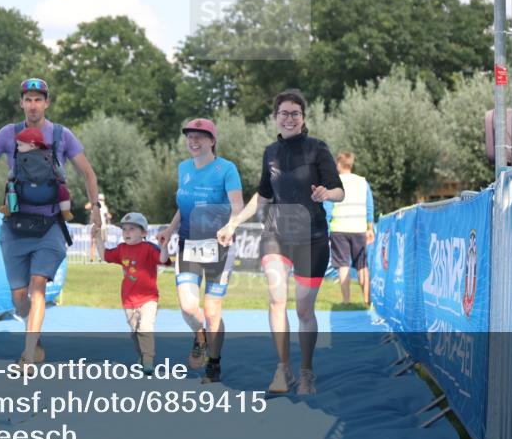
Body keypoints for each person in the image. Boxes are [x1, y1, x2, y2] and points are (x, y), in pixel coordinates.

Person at [0, 78, 101, 365]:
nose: (33, 105)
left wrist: (95, 206)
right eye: (28, 99)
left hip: (50, 226)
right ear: (21, 103)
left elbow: (88, 173)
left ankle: (29, 353)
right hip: (15, 227)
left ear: (46, 103)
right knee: (19, 299)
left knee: (38, 286)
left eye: (38, 99)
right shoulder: (8, 134)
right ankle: (33, 335)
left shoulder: (62, 135)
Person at [217, 89, 343, 395]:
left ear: (303, 118)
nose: (289, 118)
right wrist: (234, 221)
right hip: (275, 234)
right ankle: (283, 368)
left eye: (294, 113)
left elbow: (338, 190)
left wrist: (326, 194)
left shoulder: (317, 148)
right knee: (276, 299)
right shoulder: (270, 152)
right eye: (283, 113)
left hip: (311, 239)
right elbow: (263, 194)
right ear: (276, 118)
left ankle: (306, 371)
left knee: (303, 310)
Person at [157, 118, 243, 384]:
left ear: (212, 141)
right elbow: (184, 204)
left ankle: (214, 364)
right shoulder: (184, 168)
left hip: (219, 246)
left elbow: (238, 206)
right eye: (190, 137)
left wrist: (231, 225)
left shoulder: (226, 169)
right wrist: (170, 230)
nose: (194, 141)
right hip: (188, 244)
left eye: (200, 137)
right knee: (188, 306)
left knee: (212, 310)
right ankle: (201, 334)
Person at [95, 212, 169, 376]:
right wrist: (97, 238)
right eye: (124, 229)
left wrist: (164, 246)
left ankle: (148, 359)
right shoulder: (122, 249)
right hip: (128, 299)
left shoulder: (149, 248)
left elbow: (163, 260)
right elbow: (104, 255)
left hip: (149, 298)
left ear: (143, 233)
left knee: (145, 327)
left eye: (132, 229)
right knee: (135, 331)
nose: (127, 232)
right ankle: (142, 356)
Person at [324, 152, 375, 305]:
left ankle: (346, 301)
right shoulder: (362, 182)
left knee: (343, 265)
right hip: (359, 229)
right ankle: (367, 300)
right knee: (362, 265)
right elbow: (369, 206)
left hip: (339, 229)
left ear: (339, 164)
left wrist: (325, 230)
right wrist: (370, 228)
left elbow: (327, 208)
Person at [15, 127, 72, 219]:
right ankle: (65, 212)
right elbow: (60, 171)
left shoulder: (20, 158)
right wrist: (64, 179)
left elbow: (13, 173)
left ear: (32, 145)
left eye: (20, 145)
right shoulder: (49, 155)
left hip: (24, 193)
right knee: (63, 190)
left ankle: (9, 208)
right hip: (48, 193)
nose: (17, 148)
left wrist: (10, 179)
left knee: (10, 187)